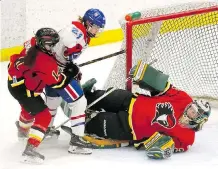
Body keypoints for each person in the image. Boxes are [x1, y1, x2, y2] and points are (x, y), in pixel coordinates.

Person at [83, 61, 211, 159]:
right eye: (192, 107)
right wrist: (147, 76)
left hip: (130, 128)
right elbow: (164, 87)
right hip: (132, 101)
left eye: (194, 112)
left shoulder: (187, 138)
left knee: (97, 122)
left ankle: (83, 121)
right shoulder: (184, 98)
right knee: (106, 95)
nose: (190, 110)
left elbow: (170, 147)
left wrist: (164, 148)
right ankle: (82, 98)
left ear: (199, 119)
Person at [8, 27, 91, 164]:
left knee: (29, 108)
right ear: (41, 43)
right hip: (25, 88)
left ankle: (22, 130)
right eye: (50, 45)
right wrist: (70, 72)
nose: (52, 48)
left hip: (14, 82)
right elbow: (59, 83)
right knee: (43, 115)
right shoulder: (44, 62)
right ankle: (30, 149)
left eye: (54, 44)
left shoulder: (33, 42)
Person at [44, 8, 106, 138]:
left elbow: (62, 52)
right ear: (88, 23)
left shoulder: (79, 30)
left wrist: (70, 65)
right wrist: (68, 65)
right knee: (79, 101)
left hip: (50, 69)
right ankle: (77, 140)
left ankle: (45, 128)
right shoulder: (77, 34)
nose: (97, 31)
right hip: (56, 71)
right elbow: (66, 48)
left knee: (53, 99)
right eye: (95, 27)